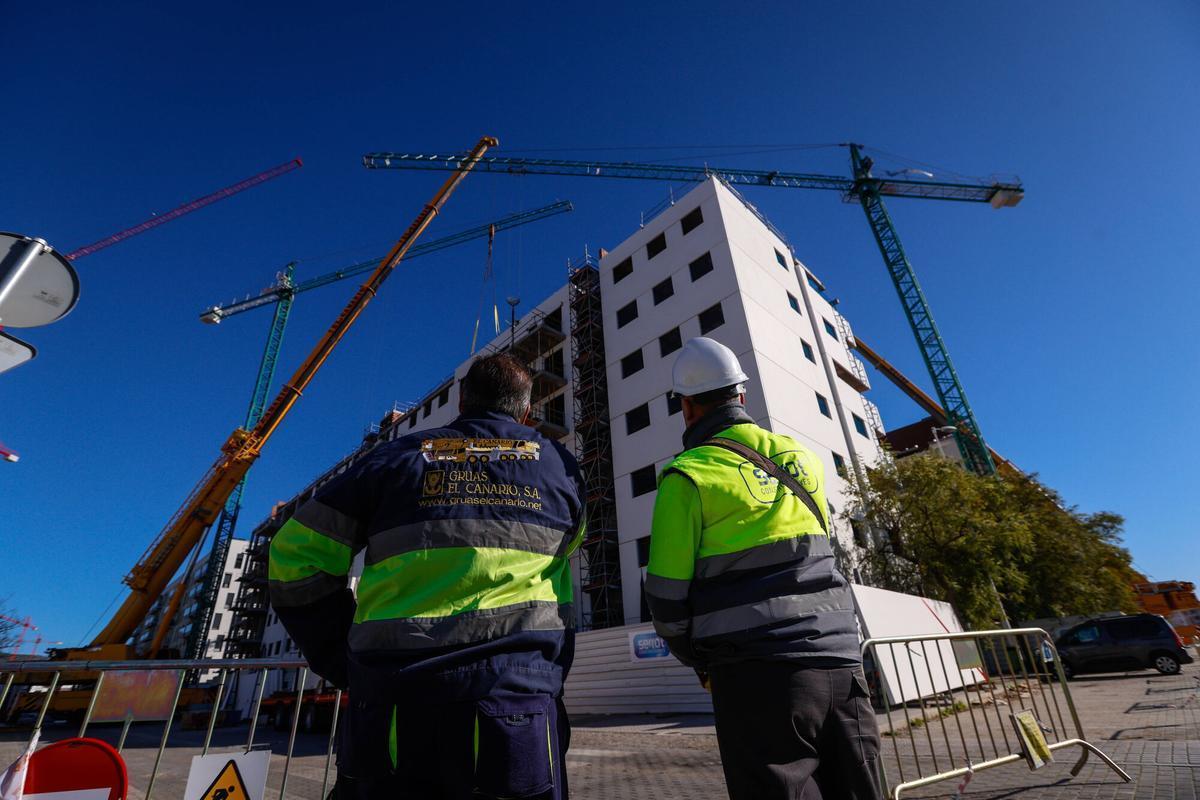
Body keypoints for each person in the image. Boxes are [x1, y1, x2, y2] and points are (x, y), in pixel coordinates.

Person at [269, 352, 584, 799]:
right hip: (515, 712)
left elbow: (294, 554)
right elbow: (568, 546)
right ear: (527, 410)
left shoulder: (393, 459)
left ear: (462, 401)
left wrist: (343, 658)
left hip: (392, 710)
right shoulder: (559, 467)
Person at [644, 337, 881, 800]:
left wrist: (699, 660)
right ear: (742, 395)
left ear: (687, 407)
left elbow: (665, 598)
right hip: (843, 665)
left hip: (757, 676)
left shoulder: (688, 474)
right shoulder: (805, 460)